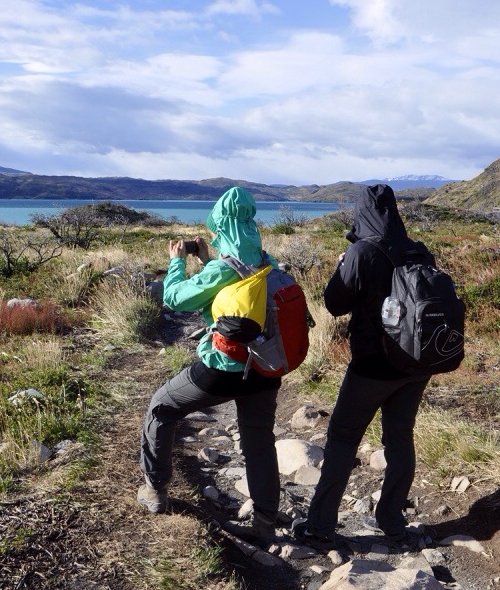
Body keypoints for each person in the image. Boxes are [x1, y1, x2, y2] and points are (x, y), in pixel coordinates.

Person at [137, 187, 283, 540]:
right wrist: (207, 261)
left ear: (221, 227)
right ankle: (265, 523)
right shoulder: (268, 262)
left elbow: (176, 299)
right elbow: (238, 292)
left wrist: (177, 262)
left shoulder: (222, 268)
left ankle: (155, 490)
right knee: (259, 439)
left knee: (162, 407)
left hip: (224, 368)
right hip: (265, 366)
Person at [293, 184, 433, 548]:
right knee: (400, 437)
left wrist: (343, 265)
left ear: (361, 214)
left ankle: (320, 525)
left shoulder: (361, 252)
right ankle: (392, 521)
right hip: (416, 363)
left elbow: (334, 304)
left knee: (342, 437)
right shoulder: (418, 250)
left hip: (373, 366)